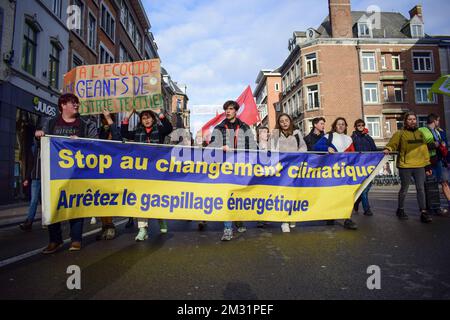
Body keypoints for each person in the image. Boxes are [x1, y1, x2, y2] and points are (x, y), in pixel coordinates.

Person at [35, 93, 98, 253]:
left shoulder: (86, 124)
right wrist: (39, 136)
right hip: (54, 173)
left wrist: (82, 141)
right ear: (63, 105)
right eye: (72, 102)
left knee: (76, 203)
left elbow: (95, 144)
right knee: (53, 204)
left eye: (77, 103)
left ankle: (76, 239)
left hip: (77, 173)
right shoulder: (50, 123)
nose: (76, 105)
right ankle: (55, 240)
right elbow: (42, 142)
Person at [121, 108, 173, 241]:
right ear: (141, 121)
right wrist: (128, 115)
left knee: (157, 198)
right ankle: (142, 229)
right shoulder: (137, 132)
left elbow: (168, 128)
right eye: (144, 118)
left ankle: (161, 219)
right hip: (142, 170)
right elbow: (124, 133)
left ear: (153, 119)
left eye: (149, 117)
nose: (147, 120)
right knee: (141, 199)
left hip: (157, 170)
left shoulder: (159, 130)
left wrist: (160, 113)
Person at [209, 100, 257, 241]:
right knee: (226, 195)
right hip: (225, 166)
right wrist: (220, 147)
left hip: (241, 166)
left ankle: (238, 219)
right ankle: (228, 228)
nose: (228, 111)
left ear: (236, 111)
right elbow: (212, 145)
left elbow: (253, 146)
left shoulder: (244, 127)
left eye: (231, 109)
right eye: (226, 109)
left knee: (238, 196)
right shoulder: (219, 128)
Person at [384, 112, 433, 223]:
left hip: (420, 166)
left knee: (420, 189)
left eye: (414, 119)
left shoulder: (420, 133)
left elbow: (424, 150)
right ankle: (400, 209)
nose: (412, 121)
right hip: (405, 166)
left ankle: (423, 212)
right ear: (405, 121)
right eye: (410, 119)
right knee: (404, 189)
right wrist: (388, 149)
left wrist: (428, 165)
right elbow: (392, 144)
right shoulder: (400, 133)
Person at [313, 117, 358, 230]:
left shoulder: (349, 139)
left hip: (345, 171)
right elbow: (316, 147)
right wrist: (327, 148)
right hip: (331, 170)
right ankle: (330, 216)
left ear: (346, 126)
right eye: (339, 124)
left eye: (343, 124)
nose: (341, 126)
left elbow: (353, 154)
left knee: (347, 195)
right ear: (335, 126)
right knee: (332, 193)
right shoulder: (329, 136)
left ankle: (347, 219)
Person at [269, 113, 307, 232]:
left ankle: (291, 216)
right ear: (279, 123)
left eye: (286, 120)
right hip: (281, 168)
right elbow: (270, 149)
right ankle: (284, 221)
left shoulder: (297, 133)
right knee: (283, 195)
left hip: (294, 168)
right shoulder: (275, 134)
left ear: (290, 121)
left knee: (293, 194)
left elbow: (303, 147)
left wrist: (296, 155)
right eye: (281, 121)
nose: (284, 123)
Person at [95, 109, 122, 240]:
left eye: (108, 118)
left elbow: (117, 139)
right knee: (100, 200)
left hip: (112, 170)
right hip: (99, 168)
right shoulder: (99, 131)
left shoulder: (116, 129)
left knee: (107, 199)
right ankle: (104, 226)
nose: (105, 120)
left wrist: (110, 121)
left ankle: (110, 226)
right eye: (104, 118)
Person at [418, 113, 449, 215]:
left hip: (438, 160)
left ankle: (436, 206)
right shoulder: (422, 130)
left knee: (440, 183)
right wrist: (432, 145)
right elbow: (418, 145)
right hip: (428, 161)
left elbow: (441, 144)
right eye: (438, 121)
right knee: (430, 184)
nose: (438, 122)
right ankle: (431, 207)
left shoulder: (437, 131)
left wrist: (442, 145)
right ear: (434, 121)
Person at [351, 119, 377, 216]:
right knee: (364, 189)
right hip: (358, 168)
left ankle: (357, 201)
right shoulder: (353, 138)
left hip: (369, 166)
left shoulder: (369, 138)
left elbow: (374, 150)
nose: (361, 126)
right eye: (359, 125)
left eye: (362, 125)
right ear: (355, 127)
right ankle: (367, 209)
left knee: (367, 187)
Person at [19, 137, 41, 231]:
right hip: (35, 178)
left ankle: (50, 222)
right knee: (34, 201)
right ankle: (29, 222)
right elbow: (30, 164)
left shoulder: (49, 146)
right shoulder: (33, 148)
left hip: (47, 179)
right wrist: (26, 178)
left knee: (47, 202)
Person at [256, 126, 270, 228]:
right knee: (260, 196)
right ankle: (260, 218)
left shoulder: (272, 146)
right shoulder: (255, 146)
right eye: (264, 132)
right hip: (258, 173)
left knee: (268, 195)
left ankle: (267, 216)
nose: (267, 134)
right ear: (259, 134)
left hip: (269, 172)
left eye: (267, 132)